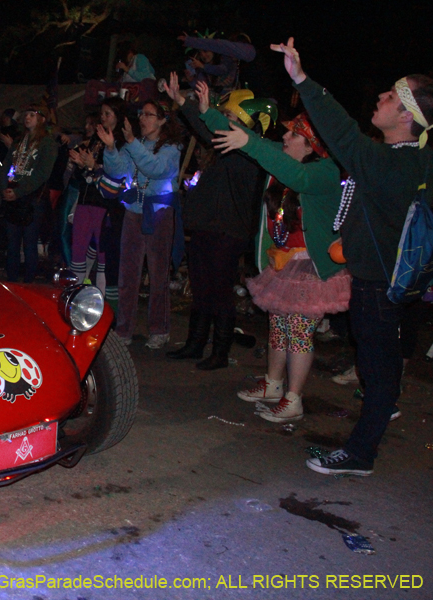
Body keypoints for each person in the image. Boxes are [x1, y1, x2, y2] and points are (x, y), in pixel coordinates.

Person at [271, 37, 433, 476]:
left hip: (379, 287)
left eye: (389, 96)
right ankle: (381, 413)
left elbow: (341, 133)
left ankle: (362, 451)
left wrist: (303, 80)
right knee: (377, 367)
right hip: (383, 283)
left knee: (377, 372)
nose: (378, 99)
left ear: (406, 115)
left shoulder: (393, 164)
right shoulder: (407, 160)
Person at [212, 110, 350, 422]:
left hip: (309, 269)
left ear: (311, 144)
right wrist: (201, 109)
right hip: (284, 264)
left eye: (293, 134)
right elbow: (250, 140)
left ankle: (294, 398)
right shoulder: (290, 165)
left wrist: (252, 143)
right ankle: (274, 385)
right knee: (279, 329)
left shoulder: (325, 170)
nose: (284, 138)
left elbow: (296, 176)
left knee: (299, 334)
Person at [163, 74, 270, 370]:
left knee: (219, 293)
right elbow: (206, 131)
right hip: (209, 229)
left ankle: (220, 352)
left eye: (229, 116)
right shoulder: (226, 151)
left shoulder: (249, 151)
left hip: (228, 232)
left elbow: (207, 129)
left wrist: (187, 103)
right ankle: (195, 344)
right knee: (201, 288)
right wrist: (185, 102)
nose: (222, 120)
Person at [99, 99, 184, 349]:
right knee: (128, 274)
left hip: (158, 214)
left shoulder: (171, 148)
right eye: (142, 114)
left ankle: (159, 328)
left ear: (162, 119)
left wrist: (132, 144)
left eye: (149, 114)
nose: (143, 119)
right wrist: (111, 148)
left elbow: (155, 168)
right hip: (133, 212)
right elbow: (118, 170)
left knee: (158, 274)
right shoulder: (136, 145)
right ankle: (123, 329)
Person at [67, 98, 127, 302]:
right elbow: (84, 175)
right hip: (86, 201)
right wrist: (82, 165)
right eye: (102, 113)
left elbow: (116, 175)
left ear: (118, 117)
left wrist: (93, 166)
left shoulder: (120, 142)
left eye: (108, 114)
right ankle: (75, 299)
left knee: (102, 253)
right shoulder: (95, 140)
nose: (103, 117)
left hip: (104, 205)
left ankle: (101, 303)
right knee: (78, 248)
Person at [0, 102, 58, 282]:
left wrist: (20, 191)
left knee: (30, 243)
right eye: (26, 114)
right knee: (12, 243)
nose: (27, 118)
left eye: (32, 115)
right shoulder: (19, 141)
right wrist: (4, 188)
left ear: (41, 119)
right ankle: (11, 281)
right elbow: (7, 165)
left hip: (33, 199)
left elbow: (42, 174)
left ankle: (29, 283)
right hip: (13, 195)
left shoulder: (47, 143)